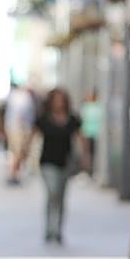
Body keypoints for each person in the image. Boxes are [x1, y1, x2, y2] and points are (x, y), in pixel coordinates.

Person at [33, 87, 88, 245]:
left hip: (66, 163)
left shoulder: (72, 119)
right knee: (53, 193)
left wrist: (85, 156)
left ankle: (57, 230)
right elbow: (32, 135)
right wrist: (20, 158)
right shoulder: (43, 119)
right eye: (56, 100)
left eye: (61, 100)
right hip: (47, 162)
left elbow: (80, 137)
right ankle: (49, 228)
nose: (59, 103)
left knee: (61, 197)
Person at [4, 82, 36, 184]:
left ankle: (15, 173)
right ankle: (13, 173)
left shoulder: (19, 96)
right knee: (17, 151)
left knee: (19, 152)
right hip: (17, 128)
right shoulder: (20, 97)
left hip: (18, 128)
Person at [80, 88, 103, 171]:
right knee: (87, 152)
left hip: (95, 133)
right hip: (87, 132)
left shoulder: (98, 106)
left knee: (93, 152)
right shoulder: (86, 106)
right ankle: (87, 168)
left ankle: (92, 168)